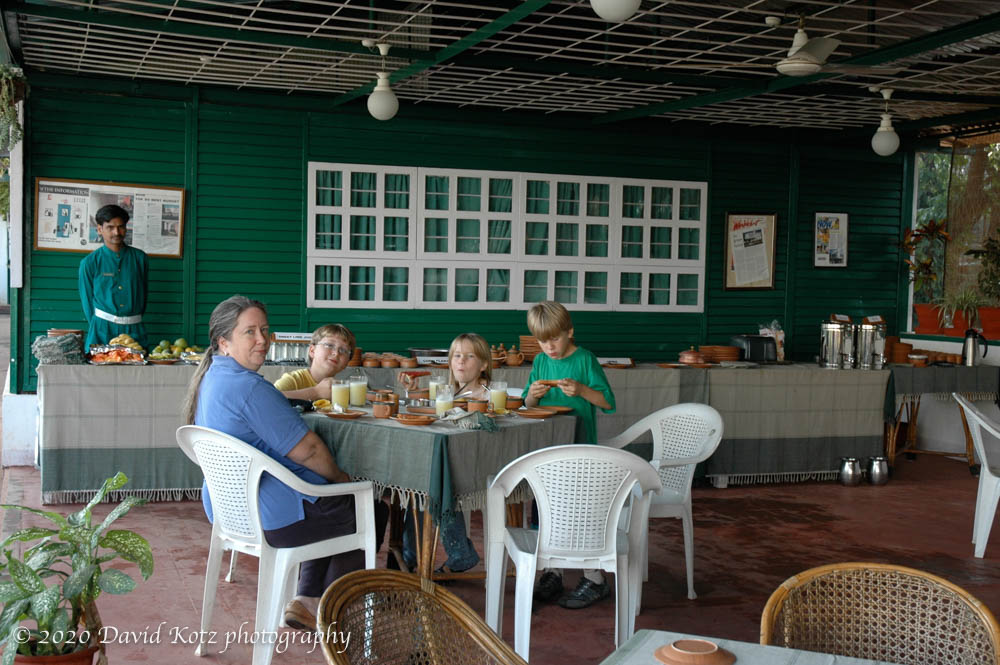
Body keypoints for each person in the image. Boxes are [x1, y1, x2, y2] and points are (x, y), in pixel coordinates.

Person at [182, 295, 388, 631]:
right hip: (269, 516)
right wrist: (341, 478)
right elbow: (309, 451)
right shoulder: (249, 388)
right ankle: (333, 609)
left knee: (332, 503)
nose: (262, 339)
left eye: (265, 330)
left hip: (227, 511)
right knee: (368, 508)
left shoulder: (211, 378)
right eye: (250, 332)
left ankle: (307, 599)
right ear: (224, 342)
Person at [524, 301, 616, 610]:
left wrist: (581, 390)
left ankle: (595, 578)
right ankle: (553, 572)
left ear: (570, 332)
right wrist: (532, 396)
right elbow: (528, 405)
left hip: (580, 450)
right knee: (545, 508)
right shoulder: (540, 362)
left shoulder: (585, 359)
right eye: (542, 340)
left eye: (554, 339)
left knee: (581, 512)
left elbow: (608, 402)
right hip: (547, 449)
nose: (549, 347)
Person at [399, 332, 490, 574]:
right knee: (420, 480)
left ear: (483, 365)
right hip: (449, 462)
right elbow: (431, 412)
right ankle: (412, 553)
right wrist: (413, 391)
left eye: (469, 356)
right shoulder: (449, 393)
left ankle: (447, 552)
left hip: (474, 465)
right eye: (456, 356)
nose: (461, 361)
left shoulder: (485, 396)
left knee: (433, 482)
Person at [78, 204, 149, 351]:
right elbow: (87, 301)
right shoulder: (90, 262)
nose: (116, 232)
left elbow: (143, 294)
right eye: (110, 227)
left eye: (121, 227)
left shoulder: (140, 258)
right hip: (101, 330)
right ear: (99, 229)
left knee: (138, 365)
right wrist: (99, 324)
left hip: (134, 329)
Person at [275, 324, 356, 401]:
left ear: (347, 362)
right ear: (312, 351)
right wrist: (316, 392)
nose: (336, 353)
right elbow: (268, 398)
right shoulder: (293, 380)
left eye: (343, 350)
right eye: (329, 345)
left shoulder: (343, 390)